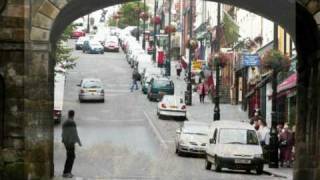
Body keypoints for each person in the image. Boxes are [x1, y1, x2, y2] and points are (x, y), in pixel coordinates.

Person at [62, 110, 82, 178]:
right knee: (71, 157)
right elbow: (74, 133)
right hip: (70, 142)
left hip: (66, 141)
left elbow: (64, 133)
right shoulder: (72, 122)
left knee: (70, 156)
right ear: (73, 115)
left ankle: (67, 172)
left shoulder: (65, 122)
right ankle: (67, 172)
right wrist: (79, 142)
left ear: (68, 114)